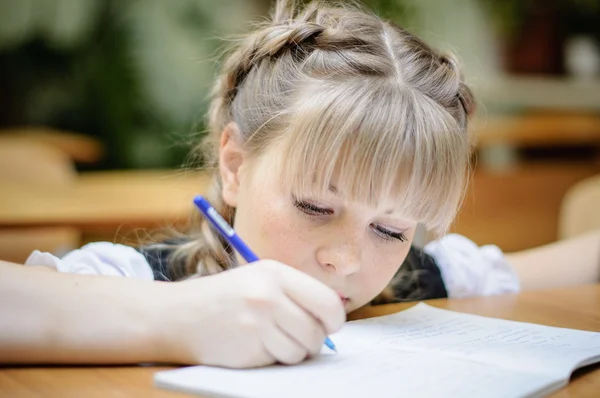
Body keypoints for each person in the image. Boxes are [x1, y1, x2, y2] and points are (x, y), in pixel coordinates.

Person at [1, 0, 598, 369]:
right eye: (316, 206)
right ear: (235, 165)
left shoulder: (421, 277)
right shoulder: (128, 281)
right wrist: (176, 317)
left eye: (390, 228)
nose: (346, 259)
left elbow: (564, 265)